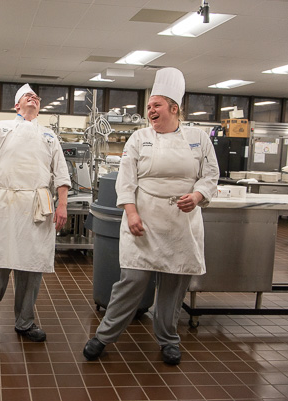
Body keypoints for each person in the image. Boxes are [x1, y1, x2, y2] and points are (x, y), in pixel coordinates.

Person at [83, 67, 219, 365]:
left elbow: (210, 176)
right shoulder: (139, 138)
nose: (150, 111)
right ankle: (103, 337)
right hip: (142, 220)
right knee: (131, 280)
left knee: (172, 287)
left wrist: (196, 196)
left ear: (173, 108)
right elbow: (126, 181)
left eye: (156, 105)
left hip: (181, 222)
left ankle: (169, 340)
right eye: (148, 106)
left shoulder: (198, 138)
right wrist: (130, 212)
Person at [0, 83, 71, 342]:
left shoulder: (48, 135)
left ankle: (25, 321)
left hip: (36, 205)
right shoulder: (0, 128)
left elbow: (61, 173)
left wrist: (62, 204)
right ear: (17, 105)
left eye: (37, 96)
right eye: (28, 96)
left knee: (31, 266)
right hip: (2, 201)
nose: (34, 98)